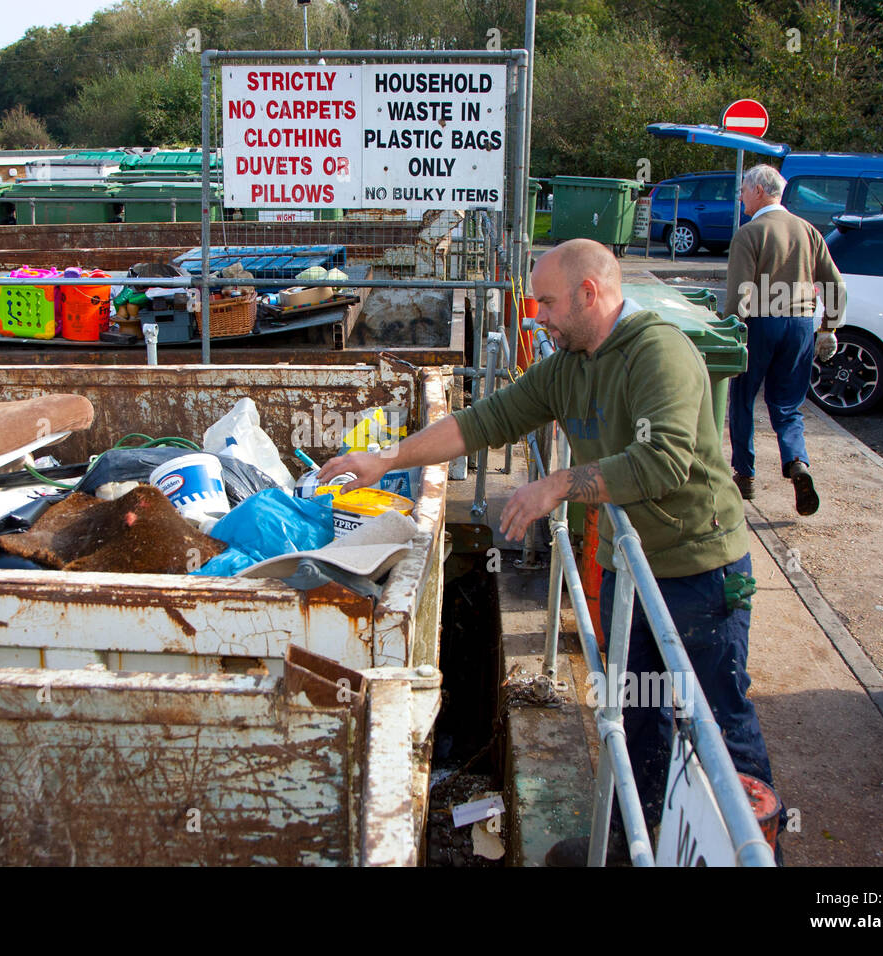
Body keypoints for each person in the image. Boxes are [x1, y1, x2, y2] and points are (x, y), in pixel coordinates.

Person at [320, 239, 778, 854]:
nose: (538, 316)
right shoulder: (571, 364)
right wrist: (389, 457)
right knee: (637, 714)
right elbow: (483, 420)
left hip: (700, 572)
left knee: (716, 718)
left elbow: (665, 461)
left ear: (591, 293)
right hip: (629, 570)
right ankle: (630, 842)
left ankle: (757, 849)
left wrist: (559, 483)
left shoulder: (658, 352)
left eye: (549, 302)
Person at [724, 164, 847, 516]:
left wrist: (729, 329)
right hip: (801, 326)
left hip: (761, 324)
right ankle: (797, 461)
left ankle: (744, 474)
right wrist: (829, 328)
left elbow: (740, 294)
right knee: (788, 405)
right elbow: (835, 286)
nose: (741, 196)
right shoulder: (808, 231)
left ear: (759, 191)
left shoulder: (750, 233)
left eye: (744, 190)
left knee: (743, 398)